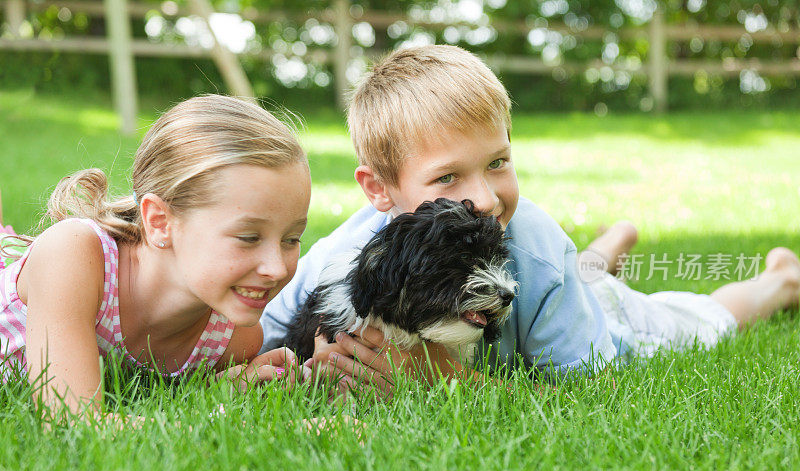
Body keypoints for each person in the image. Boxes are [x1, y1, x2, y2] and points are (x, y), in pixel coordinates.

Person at [260, 45, 800, 391]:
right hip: (559, 273)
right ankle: (603, 254)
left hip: (581, 298)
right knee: (579, 272)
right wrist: (277, 368)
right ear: (379, 189)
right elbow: (261, 335)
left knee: (689, 324)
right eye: (447, 178)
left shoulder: (535, 249)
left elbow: (597, 388)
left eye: (498, 163)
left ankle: (778, 280)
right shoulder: (344, 254)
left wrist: (452, 385)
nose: (487, 200)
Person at [0, 95, 311, 417]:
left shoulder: (234, 336)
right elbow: (71, 422)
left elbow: (150, 404)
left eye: (291, 239)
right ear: (160, 222)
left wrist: (216, 390)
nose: (276, 268)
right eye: (248, 238)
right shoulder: (72, 255)